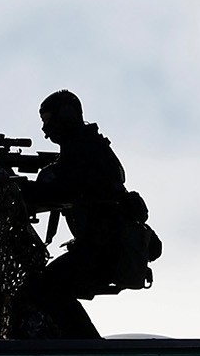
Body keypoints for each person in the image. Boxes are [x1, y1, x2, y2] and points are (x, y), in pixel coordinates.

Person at [14, 89, 137, 339]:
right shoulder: (86, 148)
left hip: (102, 248)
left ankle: (88, 350)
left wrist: (16, 186)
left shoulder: (84, 151)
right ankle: (85, 348)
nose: (46, 130)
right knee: (48, 289)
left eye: (48, 120)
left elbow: (60, 191)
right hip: (101, 246)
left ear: (66, 116)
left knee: (45, 288)